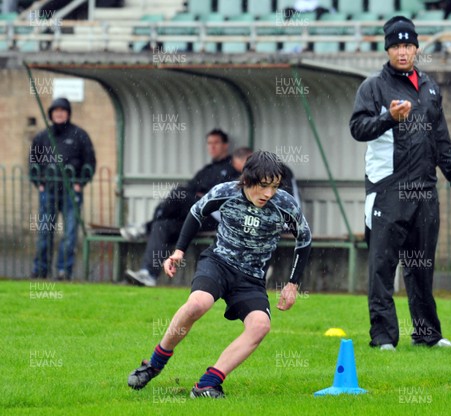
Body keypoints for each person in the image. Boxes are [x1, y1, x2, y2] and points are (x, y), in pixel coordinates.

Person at [127, 151, 312, 398]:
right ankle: (154, 364)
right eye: (264, 186)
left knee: (260, 326)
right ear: (247, 179)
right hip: (218, 264)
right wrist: (179, 251)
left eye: (275, 187)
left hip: (251, 278)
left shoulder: (285, 204)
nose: (268, 193)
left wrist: (292, 284)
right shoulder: (226, 192)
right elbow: (196, 212)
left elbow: (305, 238)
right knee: (197, 304)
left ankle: (207, 383)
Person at [349, 16, 451, 351]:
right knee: (382, 267)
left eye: (407, 45)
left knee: (421, 266)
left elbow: (441, 139)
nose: (402, 52)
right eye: (396, 46)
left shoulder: (430, 88)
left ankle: (428, 334)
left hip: (426, 191)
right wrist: (389, 117)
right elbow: (357, 129)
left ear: (417, 48)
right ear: (387, 49)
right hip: (388, 188)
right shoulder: (373, 87)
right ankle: (384, 338)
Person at [123, 129, 238, 287]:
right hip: (194, 219)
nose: (212, 147)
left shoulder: (234, 169)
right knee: (161, 226)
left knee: (179, 193)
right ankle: (148, 274)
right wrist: (196, 195)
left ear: (225, 145)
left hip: (213, 219)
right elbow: (191, 190)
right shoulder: (206, 170)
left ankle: (144, 227)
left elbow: (221, 197)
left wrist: (200, 195)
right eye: (209, 143)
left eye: (216, 143)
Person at [29, 97, 96, 280]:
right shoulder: (42, 137)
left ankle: (63, 270)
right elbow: (33, 163)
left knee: (69, 233)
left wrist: (79, 182)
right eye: (55, 111)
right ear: (50, 114)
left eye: (62, 110)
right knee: (45, 231)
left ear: (68, 113)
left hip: (70, 191)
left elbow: (89, 162)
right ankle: (41, 269)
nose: (59, 114)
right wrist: (39, 183)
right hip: (49, 190)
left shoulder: (80, 135)